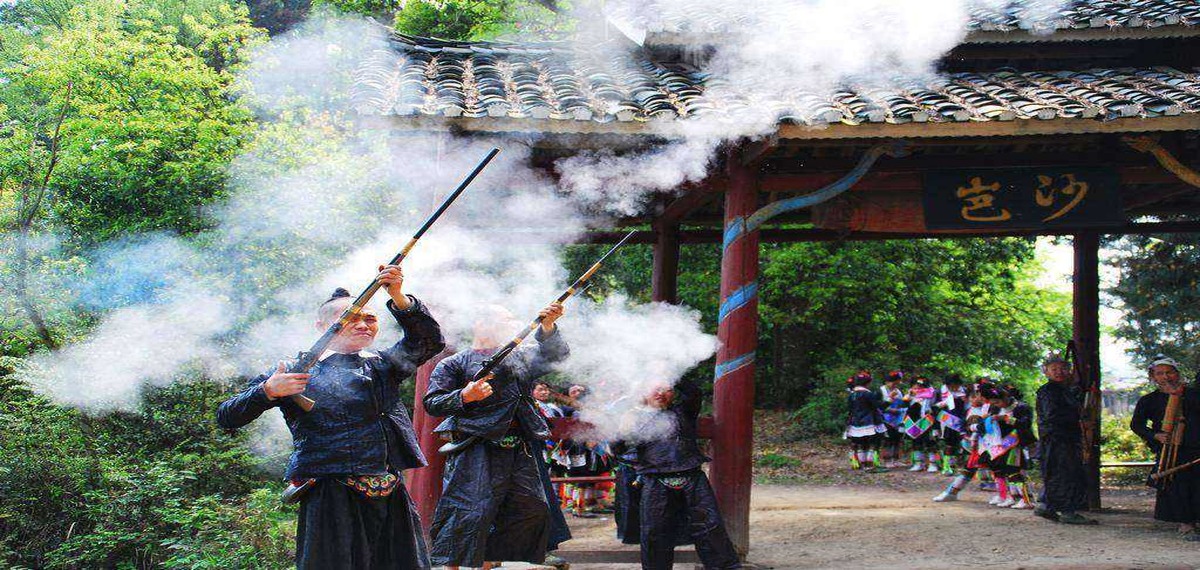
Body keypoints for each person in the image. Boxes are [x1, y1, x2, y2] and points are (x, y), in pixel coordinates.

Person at [216, 266, 445, 569]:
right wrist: (268, 390)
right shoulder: (293, 370)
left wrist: (398, 297)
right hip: (330, 491)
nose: (364, 325)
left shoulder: (381, 365)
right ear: (321, 325)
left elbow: (428, 342)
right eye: (353, 318)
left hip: (389, 485)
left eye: (370, 318)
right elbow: (227, 416)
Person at [423, 302, 569, 570]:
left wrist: (548, 326)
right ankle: (451, 566)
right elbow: (433, 402)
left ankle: (492, 561)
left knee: (531, 507)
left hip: (519, 446)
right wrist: (465, 396)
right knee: (469, 511)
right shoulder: (454, 363)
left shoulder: (521, 357)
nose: (513, 325)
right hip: (475, 445)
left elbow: (555, 355)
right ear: (481, 324)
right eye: (506, 320)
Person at [614, 379, 742, 570]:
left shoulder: (683, 411)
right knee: (655, 533)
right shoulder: (634, 417)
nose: (660, 393)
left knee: (710, 527)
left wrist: (671, 370)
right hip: (654, 480)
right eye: (654, 388)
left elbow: (693, 391)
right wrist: (622, 431)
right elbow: (617, 448)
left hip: (693, 477)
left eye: (666, 389)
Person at [1130, 357, 1200, 541]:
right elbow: (1136, 424)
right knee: (1179, 485)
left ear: (1177, 373)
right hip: (1172, 449)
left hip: (1196, 447)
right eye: (1160, 373)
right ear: (1153, 377)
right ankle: (1186, 524)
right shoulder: (1149, 400)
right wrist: (1155, 436)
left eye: (1169, 372)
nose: (1165, 377)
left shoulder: (1194, 395)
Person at [1034, 354, 1096, 524]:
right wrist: (1077, 417)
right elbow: (1053, 416)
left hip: (1063, 438)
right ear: (1046, 372)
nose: (1059, 372)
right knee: (1065, 474)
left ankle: (1047, 505)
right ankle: (1067, 512)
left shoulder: (1064, 390)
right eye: (1054, 369)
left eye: (1063, 368)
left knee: (1061, 473)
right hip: (1057, 439)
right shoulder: (1049, 391)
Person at [933, 383, 992, 502]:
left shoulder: (990, 409)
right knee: (969, 469)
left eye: (978, 395)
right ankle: (951, 492)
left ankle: (1016, 496)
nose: (976, 398)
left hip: (989, 445)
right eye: (974, 396)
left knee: (1003, 471)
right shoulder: (970, 409)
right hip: (979, 446)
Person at [982, 386, 1036, 510]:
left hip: (1016, 443)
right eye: (993, 403)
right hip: (1001, 444)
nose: (996, 405)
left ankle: (1026, 499)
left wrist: (1006, 419)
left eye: (998, 402)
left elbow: (1025, 424)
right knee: (1006, 470)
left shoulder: (1022, 407)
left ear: (1006, 397)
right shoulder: (996, 408)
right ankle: (1013, 498)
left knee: (1015, 470)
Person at [845, 370, 887, 471]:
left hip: (855, 422)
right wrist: (888, 401)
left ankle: (861, 464)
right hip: (870, 421)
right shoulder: (868, 394)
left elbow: (850, 409)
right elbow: (877, 406)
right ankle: (871, 465)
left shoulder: (852, 395)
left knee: (861, 443)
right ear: (868, 383)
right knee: (874, 442)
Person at [935, 374, 968, 476]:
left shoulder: (964, 392)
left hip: (961, 421)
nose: (954, 388)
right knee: (948, 444)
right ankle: (946, 466)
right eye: (952, 386)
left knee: (958, 445)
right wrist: (942, 404)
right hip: (946, 421)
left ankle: (955, 466)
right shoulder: (940, 392)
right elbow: (934, 406)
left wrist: (965, 401)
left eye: (956, 385)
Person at [904, 377, 939, 472]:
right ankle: (918, 463)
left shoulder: (932, 395)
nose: (917, 390)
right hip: (914, 423)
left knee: (930, 443)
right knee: (916, 442)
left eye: (920, 388)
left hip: (927, 422)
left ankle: (933, 463)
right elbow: (904, 408)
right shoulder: (909, 397)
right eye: (915, 388)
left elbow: (936, 408)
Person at [880, 370, 908, 468]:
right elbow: (880, 406)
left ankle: (896, 459)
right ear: (887, 382)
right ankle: (887, 460)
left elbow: (901, 403)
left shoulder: (898, 391)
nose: (895, 385)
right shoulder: (881, 391)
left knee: (897, 439)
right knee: (888, 440)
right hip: (886, 419)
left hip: (898, 419)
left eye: (897, 383)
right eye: (894, 383)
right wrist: (890, 409)